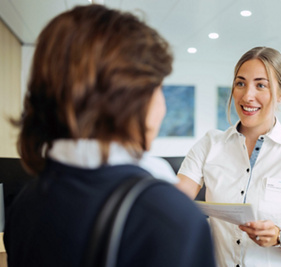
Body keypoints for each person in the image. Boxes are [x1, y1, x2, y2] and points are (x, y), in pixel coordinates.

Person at [4, 5, 215, 267]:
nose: (163, 107)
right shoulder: (170, 218)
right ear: (130, 98)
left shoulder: (25, 204)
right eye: (158, 89)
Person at [177, 47, 281, 267]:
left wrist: (280, 236)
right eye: (240, 83)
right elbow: (173, 199)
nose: (248, 96)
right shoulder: (210, 144)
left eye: (261, 85)